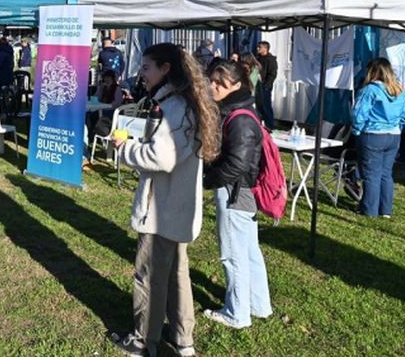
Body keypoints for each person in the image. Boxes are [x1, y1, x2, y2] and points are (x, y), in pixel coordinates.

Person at [109, 43, 221, 357]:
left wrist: (125, 148)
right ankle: (183, 339)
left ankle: (144, 340)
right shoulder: (184, 103)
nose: (141, 74)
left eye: (146, 67)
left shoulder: (175, 108)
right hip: (176, 208)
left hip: (162, 210)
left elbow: (162, 157)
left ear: (165, 69)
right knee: (176, 275)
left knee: (149, 276)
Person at [203, 60, 272, 329]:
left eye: (220, 82)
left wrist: (208, 179)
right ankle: (259, 304)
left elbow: (237, 164)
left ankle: (237, 313)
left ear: (237, 85)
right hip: (243, 191)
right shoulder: (240, 110)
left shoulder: (240, 118)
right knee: (248, 250)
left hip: (235, 191)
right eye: (211, 80)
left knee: (233, 254)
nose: (213, 86)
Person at [352, 57, 405, 218]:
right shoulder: (400, 90)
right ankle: (385, 210)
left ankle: (369, 210)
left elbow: (358, 114)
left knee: (371, 174)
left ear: (372, 72)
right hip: (393, 136)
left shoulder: (369, 90)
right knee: (386, 173)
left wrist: (356, 131)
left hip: (372, 135)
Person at [255, 41, 278, 130]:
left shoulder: (271, 60)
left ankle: (270, 126)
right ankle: (260, 125)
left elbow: (272, 74)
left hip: (264, 87)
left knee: (266, 106)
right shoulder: (258, 59)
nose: (257, 49)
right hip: (256, 86)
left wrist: (266, 86)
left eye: (259, 47)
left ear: (265, 48)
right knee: (258, 106)